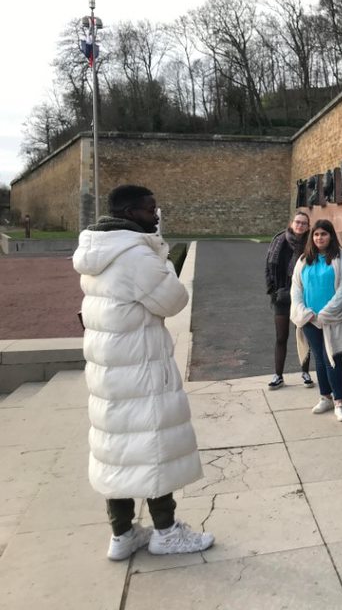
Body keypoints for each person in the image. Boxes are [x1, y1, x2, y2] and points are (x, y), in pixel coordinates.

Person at [73, 184, 214, 560]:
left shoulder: (97, 250)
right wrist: (162, 254)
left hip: (108, 368)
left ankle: (122, 533)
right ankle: (165, 531)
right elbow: (173, 299)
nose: (156, 214)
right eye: (151, 209)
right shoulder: (134, 254)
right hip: (139, 365)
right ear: (132, 212)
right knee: (154, 445)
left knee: (117, 449)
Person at [291, 219, 342, 423]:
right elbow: (296, 289)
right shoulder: (304, 260)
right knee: (319, 358)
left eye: (324, 234)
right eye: (316, 234)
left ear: (331, 236)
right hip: (310, 319)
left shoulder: (341, 259)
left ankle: (339, 402)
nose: (320, 238)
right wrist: (305, 312)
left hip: (332, 319)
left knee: (334, 359)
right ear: (312, 237)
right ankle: (325, 397)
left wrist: (325, 314)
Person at [265, 212, 314, 390]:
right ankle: (278, 375)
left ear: (308, 226)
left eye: (304, 223)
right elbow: (269, 267)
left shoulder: (311, 244)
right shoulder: (280, 241)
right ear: (292, 223)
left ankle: (305, 372)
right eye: (297, 222)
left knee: (303, 336)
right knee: (281, 336)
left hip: (303, 296)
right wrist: (273, 291)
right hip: (282, 295)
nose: (300, 226)